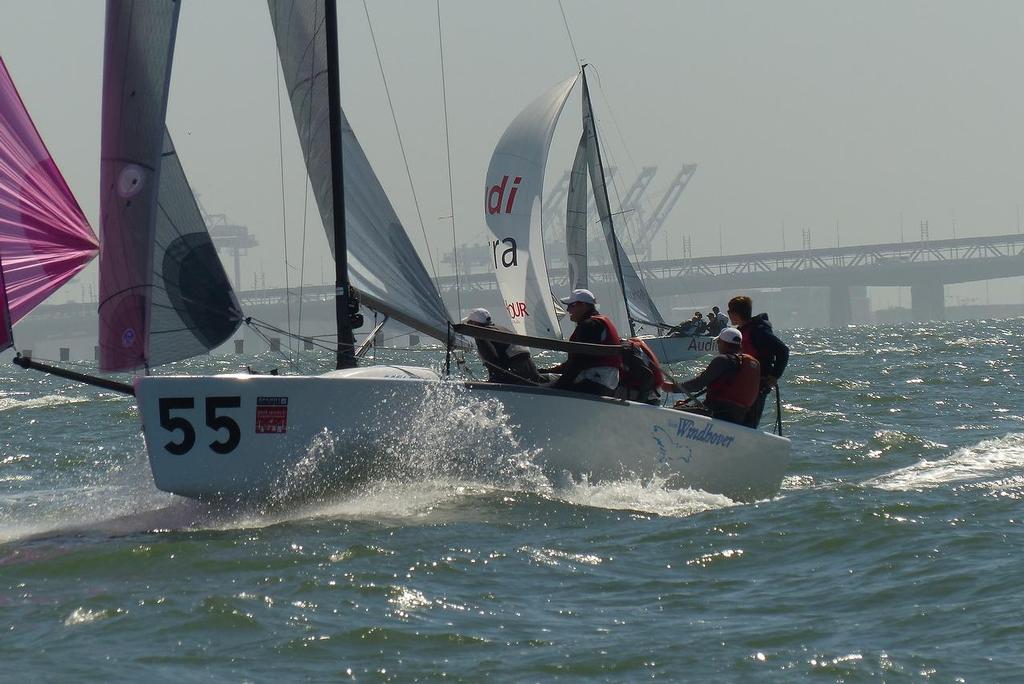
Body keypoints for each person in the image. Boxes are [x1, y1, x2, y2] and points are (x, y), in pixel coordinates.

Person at [669, 327, 761, 424]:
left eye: (718, 342)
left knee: (672, 412)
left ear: (724, 344)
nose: (718, 345)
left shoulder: (722, 360)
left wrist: (670, 387)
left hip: (717, 414)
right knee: (683, 406)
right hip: (739, 417)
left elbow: (697, 385)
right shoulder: (752, 364)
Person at [539, 289, 622, 396]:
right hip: (605, 384)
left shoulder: (590, 325)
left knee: (537, 387)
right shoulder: (599, 322)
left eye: (571, 305)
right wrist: (545, 371)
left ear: (582, 305)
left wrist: (557, 387)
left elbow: (578, 363)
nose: (568, 309)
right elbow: (578, 361)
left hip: (592, 384)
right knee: (540, 377)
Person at [726, 295, 790, 428]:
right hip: (744, 383)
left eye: (729, 311)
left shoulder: (758, 330)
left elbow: (783, 350)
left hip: (759, 384)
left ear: (736, 313)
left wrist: (774, 376)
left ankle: (748, 442)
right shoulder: (741, 331)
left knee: (749, 423)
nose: (728, 315)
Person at [462, 308, 544, 385]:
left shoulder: (480, 334)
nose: (469, 326)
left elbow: (492, 360)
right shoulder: (501, 329)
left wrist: (492, 382)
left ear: (474, 324)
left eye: (469, 323)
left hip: (518, 375)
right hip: (531, 370)